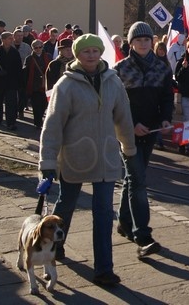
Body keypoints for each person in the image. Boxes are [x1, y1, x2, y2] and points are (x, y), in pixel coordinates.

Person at [39, 34, 135, 287]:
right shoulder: (65, 85)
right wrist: (48, 162)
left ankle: (104, 269)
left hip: (105, 158)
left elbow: (123, 117)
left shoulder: (113, 82)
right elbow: (53, 125)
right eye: (86, 51)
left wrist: (129, 148)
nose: (91, 55)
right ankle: (55, 246)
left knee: (104, 213)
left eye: (95, 50)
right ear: (77, 54)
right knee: (66, 204)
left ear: (101, 52)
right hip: (75, 157)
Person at [114, 21, 174, 257]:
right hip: (127, 132)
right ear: (131, 43)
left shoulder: (162, 68)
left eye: (146, 39)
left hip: (150, 133)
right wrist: (131, 124)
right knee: (138, 181)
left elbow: (167, 98)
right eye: (138, 40)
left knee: (132, 178)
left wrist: (165, 119)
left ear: (152, 41)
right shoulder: (120, 69)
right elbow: (116, 105)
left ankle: (124, 223)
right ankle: (143, 236)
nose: (142, 43)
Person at [0, 31, 23, 131]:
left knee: (11, 103)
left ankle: (11, 122)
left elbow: (19, 68)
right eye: (10, 38)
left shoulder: (14, 52)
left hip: (11, 83)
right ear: (3, 40)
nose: (12, 40)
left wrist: (18, 80)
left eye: (12, 38)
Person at [23, 40, 52, 128]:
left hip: (47, 86)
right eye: (36, 47)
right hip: (34, 85)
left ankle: (41, 118)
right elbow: (25, 72)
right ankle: (38, 122)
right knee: (36, 106)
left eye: (40, 47)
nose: (38, 49)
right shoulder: (29, 58)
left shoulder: (48, 56)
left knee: (45, 105)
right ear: (33, 48)